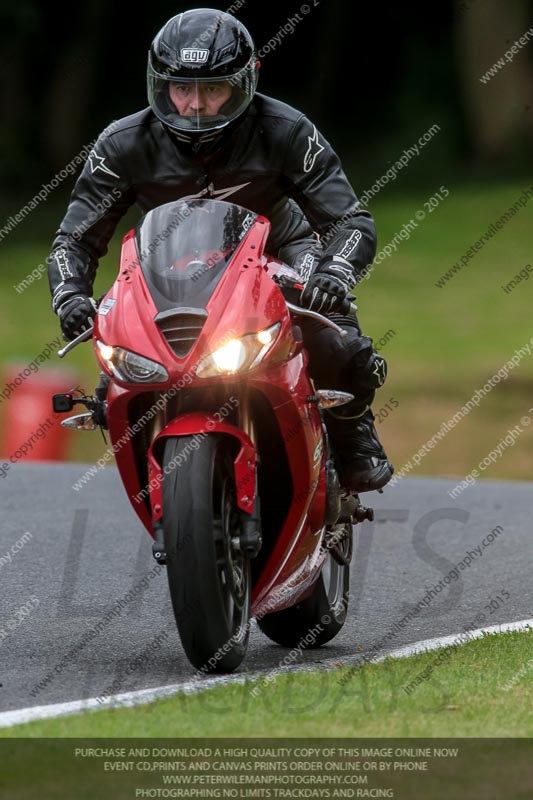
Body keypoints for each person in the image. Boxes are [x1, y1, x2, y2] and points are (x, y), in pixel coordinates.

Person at [48, 8, 393, 493]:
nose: (194, 105)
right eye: (182, 88)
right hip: (169, 265)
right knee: (115, 379)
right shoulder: (120, 144)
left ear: (244, 84)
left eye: (213, 89)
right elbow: (74, 240)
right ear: (159, 85)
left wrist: (335, 271)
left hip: (282, 248)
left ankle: (353, 430)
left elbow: (349, 220)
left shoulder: (288, 129)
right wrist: (69, 296)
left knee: (333, 339)